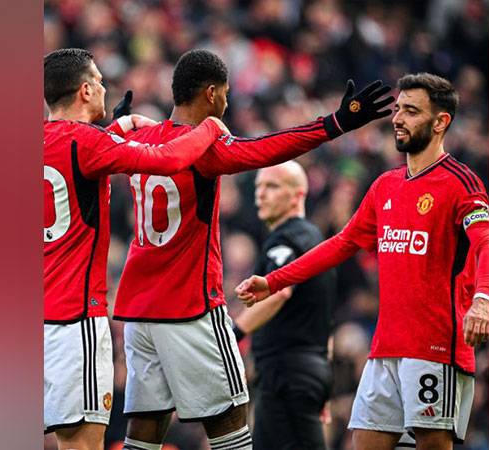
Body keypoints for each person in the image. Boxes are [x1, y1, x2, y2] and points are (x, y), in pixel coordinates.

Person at [110, 49, 394, 450]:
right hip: (190, 307)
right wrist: (335, 123)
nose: (226, 105)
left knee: (144, 427)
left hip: (138, 312)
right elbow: (269, 148)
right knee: (232, 424)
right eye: (224, 95)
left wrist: (114, 123)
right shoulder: (204, 148)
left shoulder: (141, 139)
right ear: (211, 94)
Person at [236, 72, 489, 450]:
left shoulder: (461, 183)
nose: (398, 118)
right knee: (364, 442)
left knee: (432, 444)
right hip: (385, 347)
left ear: (441, 122)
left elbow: (487, 240)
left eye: (412, 111)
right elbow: (342, 243)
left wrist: (483, 300)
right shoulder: (386, 185)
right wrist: (274, 281)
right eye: (398, 109)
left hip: (435, 348)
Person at [43, 48, 228, 450]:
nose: (106, 88)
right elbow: (167, 158)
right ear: (86, 90)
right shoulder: (88, 143)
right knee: (81, 445)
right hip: (73, 321)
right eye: (101, 82)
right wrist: (211, 128)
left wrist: (116, 126)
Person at [231, 161, 336, 450]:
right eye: (259, 187)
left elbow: (279, 292)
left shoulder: (290, 237)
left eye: (272, 186)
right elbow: (327, 325)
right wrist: (322, 383)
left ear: (297, 195)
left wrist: (233, 333)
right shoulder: (315, 242)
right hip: (302, 373)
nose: (260, 195)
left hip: (287, 373)